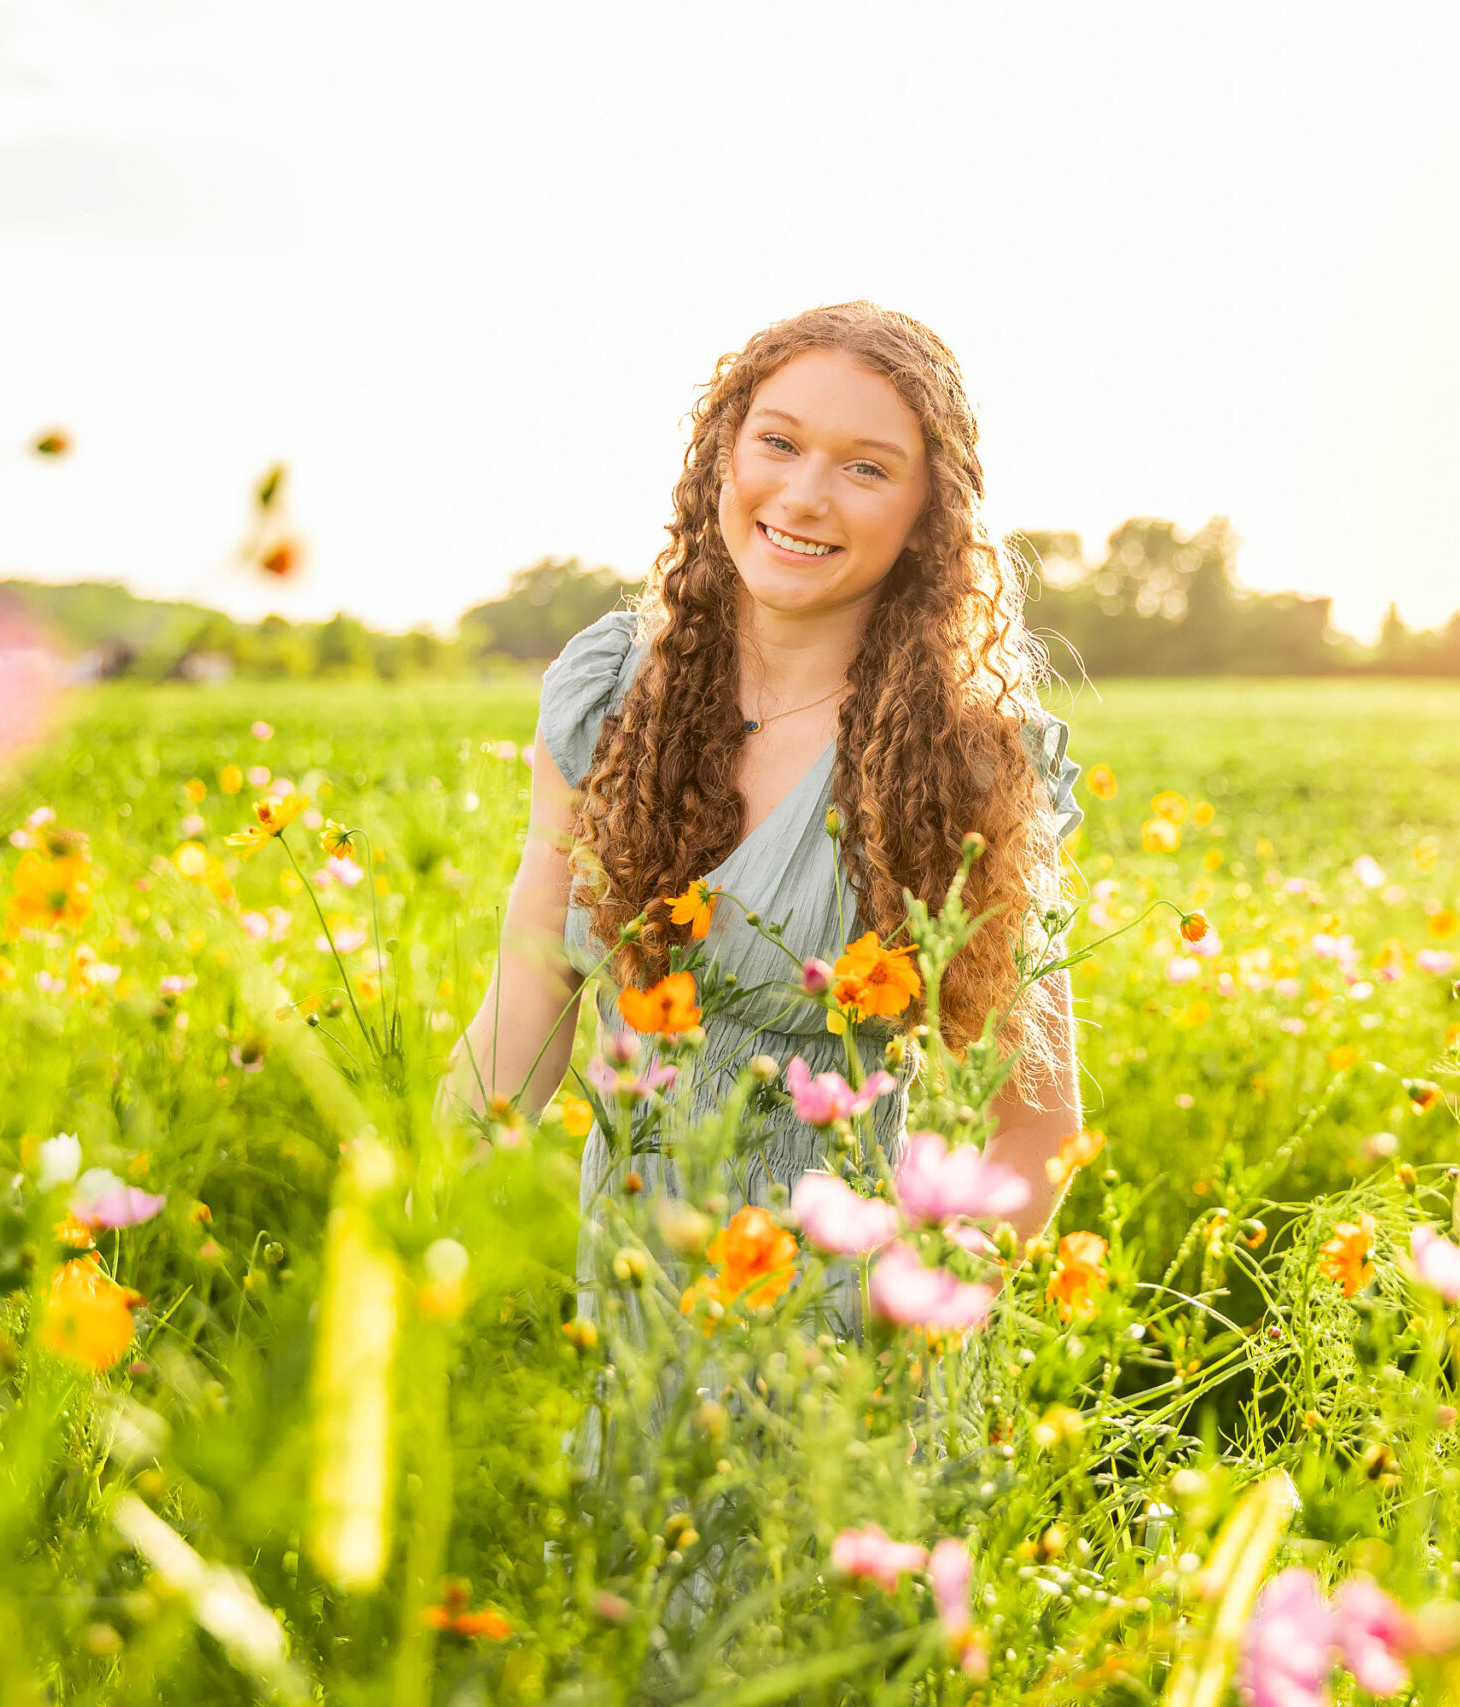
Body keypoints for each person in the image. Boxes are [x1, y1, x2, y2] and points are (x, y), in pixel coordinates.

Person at [449, 300, 1086, 1346]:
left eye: (866, 467)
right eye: (778, 443)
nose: (803, 494)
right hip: (619, 1322)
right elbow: (523, 1008)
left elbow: (1036, 1130)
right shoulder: (611, 693)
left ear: (928, 512)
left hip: (843, 1359)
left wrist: (907, 1338)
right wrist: (432, 1235)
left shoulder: (969, 761)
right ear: (721, 454)